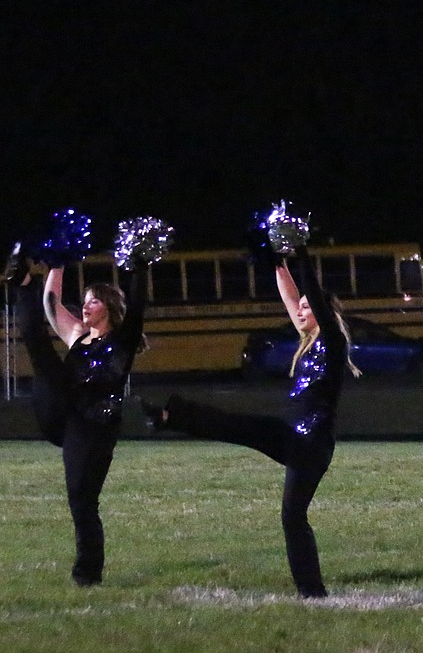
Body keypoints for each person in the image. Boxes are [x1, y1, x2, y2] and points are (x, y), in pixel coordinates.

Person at [140, 244, 359, 597]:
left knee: (292, 517)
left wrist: (301, 253)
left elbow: (313, 296)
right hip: (291, 436)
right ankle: (169, 416)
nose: (300, 311)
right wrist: (279, 263)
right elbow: (290, 296)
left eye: (308, 307)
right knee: (234, 425)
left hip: (311, 444)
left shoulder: (332, 343)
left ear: (323, 312)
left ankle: (312, 591)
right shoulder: (308, 338)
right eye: (300, 308)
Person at [3, 242, 147, 587]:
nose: (85, 307)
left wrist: (139, 265)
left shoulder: (122, 342)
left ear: (109, 307)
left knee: (81, 501)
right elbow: (51, 305)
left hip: (95, 429)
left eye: (93, 301)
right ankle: (23, 282)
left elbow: (138, 305)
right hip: (63, 412)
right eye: (84, 301)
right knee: (39, 346)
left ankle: (88, 574)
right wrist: (58, 261)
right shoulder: (78, 337)